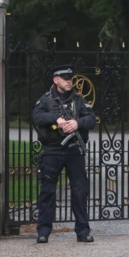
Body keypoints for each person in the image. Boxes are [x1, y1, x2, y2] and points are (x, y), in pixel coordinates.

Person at [33, 64, 97, 244]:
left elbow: (92, 119)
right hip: (52, 150)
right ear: (56, 80)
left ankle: (82, 232)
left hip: (74, 150)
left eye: (70, 79)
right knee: (47, 190)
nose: (69, 82)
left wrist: (78, 124)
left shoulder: (79, 100)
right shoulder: (45, 100)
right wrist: (56, 119)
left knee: (79, 191)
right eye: (65, 79)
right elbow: (36, 116)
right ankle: (43, 232)